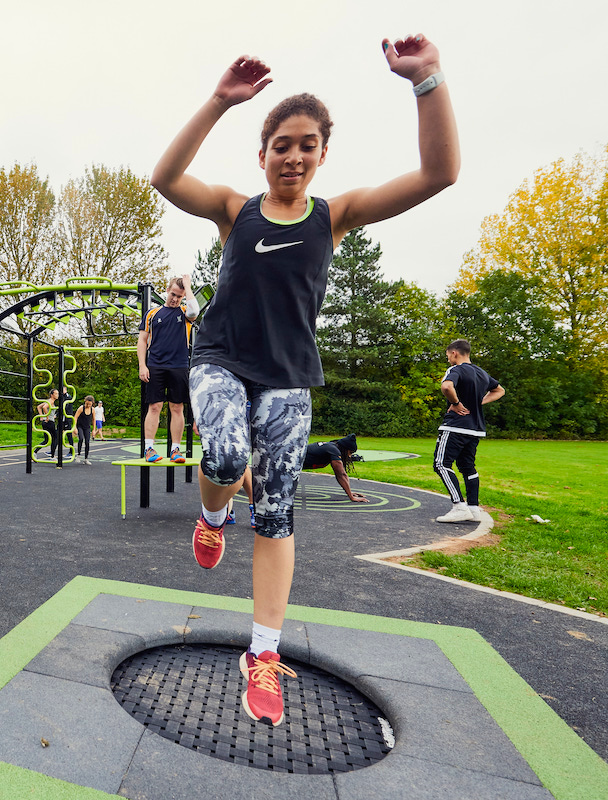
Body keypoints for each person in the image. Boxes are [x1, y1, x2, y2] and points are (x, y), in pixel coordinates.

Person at [150, 34, 458, 726]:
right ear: (263, 155)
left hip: (289, 376)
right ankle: (211, 514)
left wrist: (427, 80)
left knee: (280, 510)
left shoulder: (334, 217)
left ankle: (262, 654)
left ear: (322, 153)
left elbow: (439, 175)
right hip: (221, 360)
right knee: (226, 456)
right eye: (281, 144)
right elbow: (165, 179)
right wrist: (220, 102)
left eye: (306, 144)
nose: (293, 155)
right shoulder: (236, 211)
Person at [434, 340, 504, 522]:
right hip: (475, 429)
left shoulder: (455, 370)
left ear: (455, 353)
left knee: (441, 464)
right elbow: (499, 390)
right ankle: (473, 509)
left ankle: (459, 506)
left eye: (448, 355)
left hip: (456, 425)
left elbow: (446, 386)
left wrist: (456, 404)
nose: (448, 359)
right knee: (467, 467)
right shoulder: (481, 373)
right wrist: (478, 402)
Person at [137, 274, 200, 463]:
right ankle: (149, 449)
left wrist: (187, 286)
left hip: (179, 366)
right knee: (154, 406)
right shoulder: (152, 313)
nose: (175, 299)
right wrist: (142, 365)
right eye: (173, 294)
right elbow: (142, 340)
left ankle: (175, 450)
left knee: (177, 407)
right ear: (167, 290)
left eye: (179, 296)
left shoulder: (184, 313)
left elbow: (194, 310)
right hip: (155, 365)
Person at [303, 434, 368, 502]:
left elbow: (343, 474)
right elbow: (341, 475)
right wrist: (352, 497)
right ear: (345, 449)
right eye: (350, 452)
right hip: (294, 461)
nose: (349, 456)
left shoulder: (333, 446)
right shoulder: (334, 451)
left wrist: (349, 492)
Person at [35, 388, 61, 459]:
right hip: (49, 422)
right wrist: (46, 417)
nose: (57, 395)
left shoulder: (48, 401)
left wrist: (41, 416)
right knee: (55, 438)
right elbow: (44, 407)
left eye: (58, 393)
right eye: (56, 394)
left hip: (46, 422)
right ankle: (52, 456)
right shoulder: (51, 401)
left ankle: (34, 452)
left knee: (46, 440)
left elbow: (39, 407)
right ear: (52, 395)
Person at [72, 395, 96, 464]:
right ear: (85, 402)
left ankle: (86, 458)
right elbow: (75, 417)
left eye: (90, 404)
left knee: (87, 442)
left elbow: (94, 420)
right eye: (87, 404)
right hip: (80, 426)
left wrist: (94, 430)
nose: (88, 405)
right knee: (81, 439)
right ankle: (78, 455)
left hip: (87, 427)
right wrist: (74, 427)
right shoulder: (81, 408)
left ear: (92, 403)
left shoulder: (93, 410)